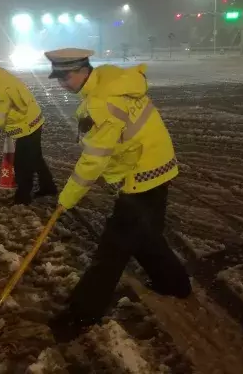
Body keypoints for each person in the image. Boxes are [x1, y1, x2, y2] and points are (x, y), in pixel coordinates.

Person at [44, 48, 191, 336]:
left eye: (67, 76)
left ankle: (81, 315)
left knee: (111, 251)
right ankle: (174, 284)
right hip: (159, 161)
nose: (62, 83)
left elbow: (94, 159)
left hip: (142, 173)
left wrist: (67, 198)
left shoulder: (100, 103)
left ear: (84, 70)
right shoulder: (111, 77)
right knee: (146, 235)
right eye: (58, 78)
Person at [0, 56, 57, 205]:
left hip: (28, 124)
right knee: (35, 157)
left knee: (21, 165)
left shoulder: (1, 87)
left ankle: (23, 197)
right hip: (31, 119)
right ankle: (48, 186)